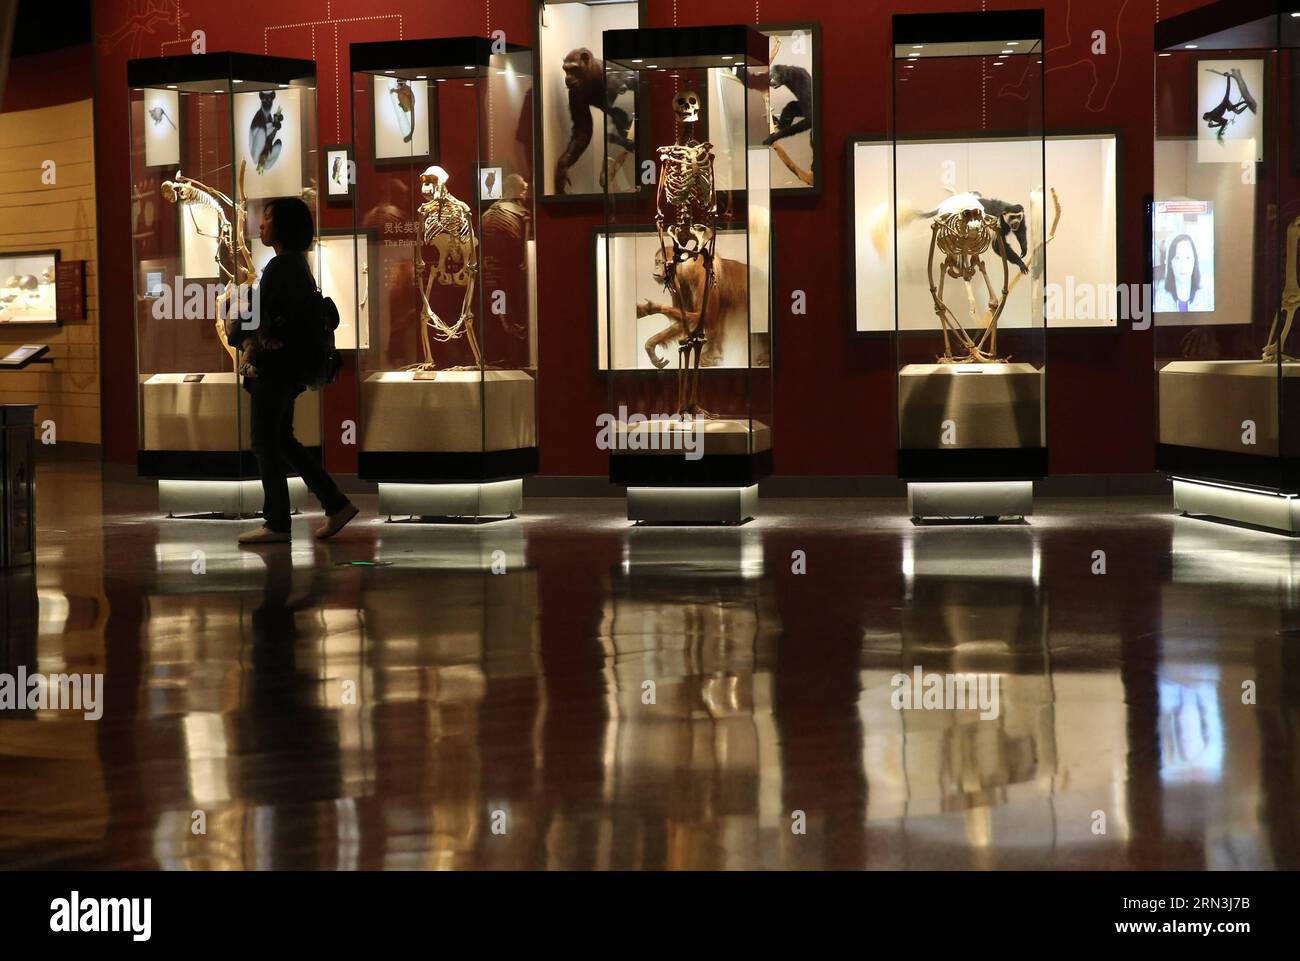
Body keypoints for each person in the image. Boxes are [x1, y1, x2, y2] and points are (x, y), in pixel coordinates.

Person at [235, 197, 358, 546]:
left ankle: (277, 522)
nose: (261, 224)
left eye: (269, 218)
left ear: (283, 225)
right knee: (282, 438)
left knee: (265, 441)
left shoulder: (281, 267)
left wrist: (242, 327)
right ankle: (335, 503)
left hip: (274, 369)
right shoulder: (296, 265)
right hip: (289, 368)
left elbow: (257, 317)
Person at [1154, 233, 1213, 313]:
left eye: (1188, 257)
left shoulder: (1207, 297)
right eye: (1177, 258)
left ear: (1194, 261)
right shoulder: (1159, 300)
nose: (1183, 265)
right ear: (1170, 263)